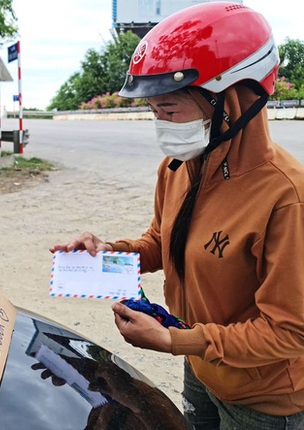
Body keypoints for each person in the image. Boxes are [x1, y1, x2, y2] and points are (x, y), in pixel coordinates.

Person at [51, 3, 304, 429]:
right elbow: (162, 242)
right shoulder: (178, 168)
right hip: (202, 367)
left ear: (233, 99)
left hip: (263, 399)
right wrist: (108, 253)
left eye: (169, 111)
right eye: (153, 112)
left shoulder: (286, 196)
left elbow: (289, 332)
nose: (161, 125)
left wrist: (172, 339)